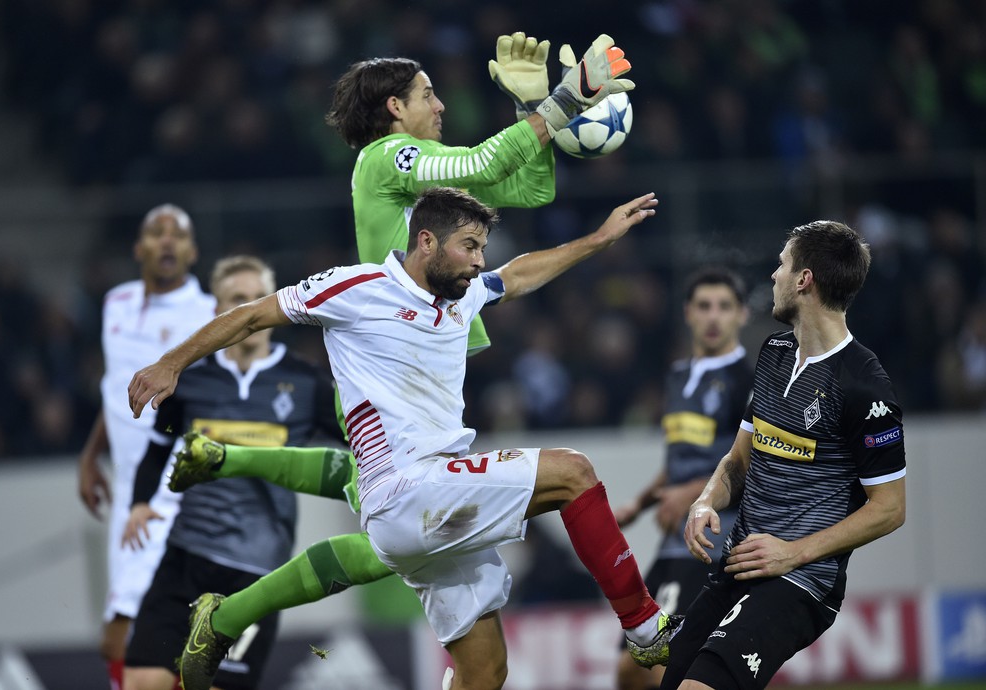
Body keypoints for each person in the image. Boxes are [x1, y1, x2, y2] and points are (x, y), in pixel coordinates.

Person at [128, 187, 677, 690]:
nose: (479, 260)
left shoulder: (462, 296)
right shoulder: (357, 288)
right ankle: (645, 627)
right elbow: (252, 316)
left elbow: (519, 274)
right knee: (573, 471)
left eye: (483, 247)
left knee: (485, 673)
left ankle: (221, 619)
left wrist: (599, 239)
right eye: (469, 246)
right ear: (426, 241)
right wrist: (170, 364)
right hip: (405, 491)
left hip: (438, 506)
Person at [660, 221, 907, 690]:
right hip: (738, 564)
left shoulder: (863, 387)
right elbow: (739, 459)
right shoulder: (773, 353)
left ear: (804, 280)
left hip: (800, 583)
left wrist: (791, 554)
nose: (773, 276)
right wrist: (706, 500)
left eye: (781, 265)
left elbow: (890, 509)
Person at [326, 31, 631, 355]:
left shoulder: (434, 180)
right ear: (396, 106)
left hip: (428, 352)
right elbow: (483, 163)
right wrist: (562, 106)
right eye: (427, 96)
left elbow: (533, 190)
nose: (440, 106)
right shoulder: (384, 158)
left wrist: (531, 109)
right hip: (393, 354)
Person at [120, 255, 346, 690]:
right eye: (235, 300)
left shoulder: (308, 383)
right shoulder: (188, 380)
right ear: (216, 312)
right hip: (187, 555)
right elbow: (158, 447)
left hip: (256, 571)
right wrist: (139, 503)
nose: (246, 309)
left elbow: (358, 439)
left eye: (255, 299)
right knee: (142, 680)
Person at [77, 204, 216, 689]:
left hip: (175, 489)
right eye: (156, 233)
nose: (166, 241)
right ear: (138, 248)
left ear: (192, 251)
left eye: (178, 234)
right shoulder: (115, 303)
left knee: (128, 636)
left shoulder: (208, 315)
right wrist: (92, 454)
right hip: (130, 493)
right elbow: (117, 387)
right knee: (140, 640)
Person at [613, 267, 752, 690]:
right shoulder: (677, 375)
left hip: (710, 542)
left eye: (724, 307)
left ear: (741, 316)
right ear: (689, 313)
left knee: (659, 668)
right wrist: (639, 505)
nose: (714, 317)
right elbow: (677, 463)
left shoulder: (748, 380)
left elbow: (749, 463)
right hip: (673, 540)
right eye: (705, 306)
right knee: (629, 669)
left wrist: (691, 495)